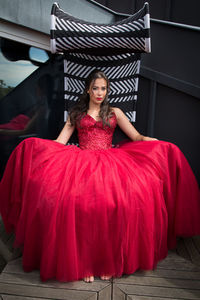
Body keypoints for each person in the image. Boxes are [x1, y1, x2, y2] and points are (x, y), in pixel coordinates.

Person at [0, 70, 199, 283]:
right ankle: (85, 264)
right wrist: (36, 146)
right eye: (95, 88)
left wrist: (151, 140)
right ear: (88, 89)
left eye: (103, 88)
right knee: (79, 208)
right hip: (81, 162)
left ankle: (107, 263)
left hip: (111, 162)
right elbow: (60, 142)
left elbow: (136, 136)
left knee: (117, 206)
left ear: (107, 90)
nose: (99, 92)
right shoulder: (76, 113)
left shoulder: (115, 112)